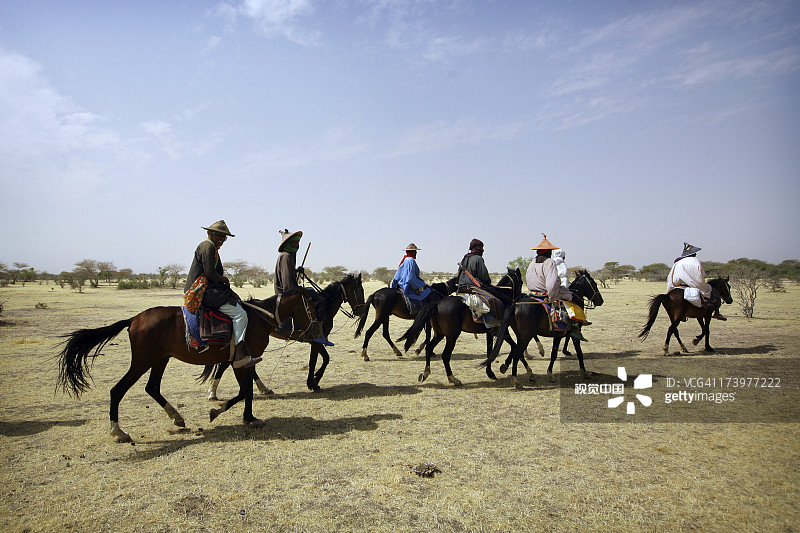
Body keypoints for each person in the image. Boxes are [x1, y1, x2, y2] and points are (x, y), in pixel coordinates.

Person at [184, 220, 261, 368]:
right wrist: (223, 279)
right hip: (201, 291)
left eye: (224, 237)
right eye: (219, 235)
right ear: (210, 234)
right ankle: (239, 355)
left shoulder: (211, 247)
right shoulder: (208, 247)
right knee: (240, 314)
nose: (222, 239)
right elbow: (210, 273)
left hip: (208, 289)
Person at [273, 229, 331, 344]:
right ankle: (316, 333)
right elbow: (287, 280)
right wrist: (296, 291)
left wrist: (296, 271)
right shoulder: (286, 256)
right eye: (293, 243)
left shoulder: (286, 255)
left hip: (288, 289)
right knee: (319, 299)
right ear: (287, 244)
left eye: (297, 243)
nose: (296, 245)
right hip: (287, 291)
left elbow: (288, 273)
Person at [526, 234, 586, 339]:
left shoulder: (532, 262)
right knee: (572, 299)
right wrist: (552, 297)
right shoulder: (550, 262)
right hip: (546, 293)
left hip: (533, 293)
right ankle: (573, 328)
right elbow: (551, 283)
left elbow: (528, 278)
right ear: (549, 252)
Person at [666, 242, 726, 320]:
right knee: (710, 289)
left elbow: (671, 276)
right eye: (695, 253)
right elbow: (700, 275)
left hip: (679, 285)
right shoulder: (695, 261)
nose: (696, 255)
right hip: (694, 284)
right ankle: (714, 309)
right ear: (693, 254)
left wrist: (670, 289)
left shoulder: (678, 263)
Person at [457, 238, 511, 307]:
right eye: (480, 247)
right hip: (475, 286)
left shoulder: (465, 258)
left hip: (462, 287)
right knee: (503, 298)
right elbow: (484, 277)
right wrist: (488, 282)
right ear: (476, 248)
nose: (482, 250)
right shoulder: (478, 258)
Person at [391, 243, 432, 312]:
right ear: (411, 252)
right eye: (415, 251)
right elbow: (410, 277)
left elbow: (398, 275)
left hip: (401, 283)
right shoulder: (411, 261)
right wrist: (415, 288)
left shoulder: (405, 260)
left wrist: (394, 284)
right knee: (428, 291)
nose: (416, 252)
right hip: (408, 284)